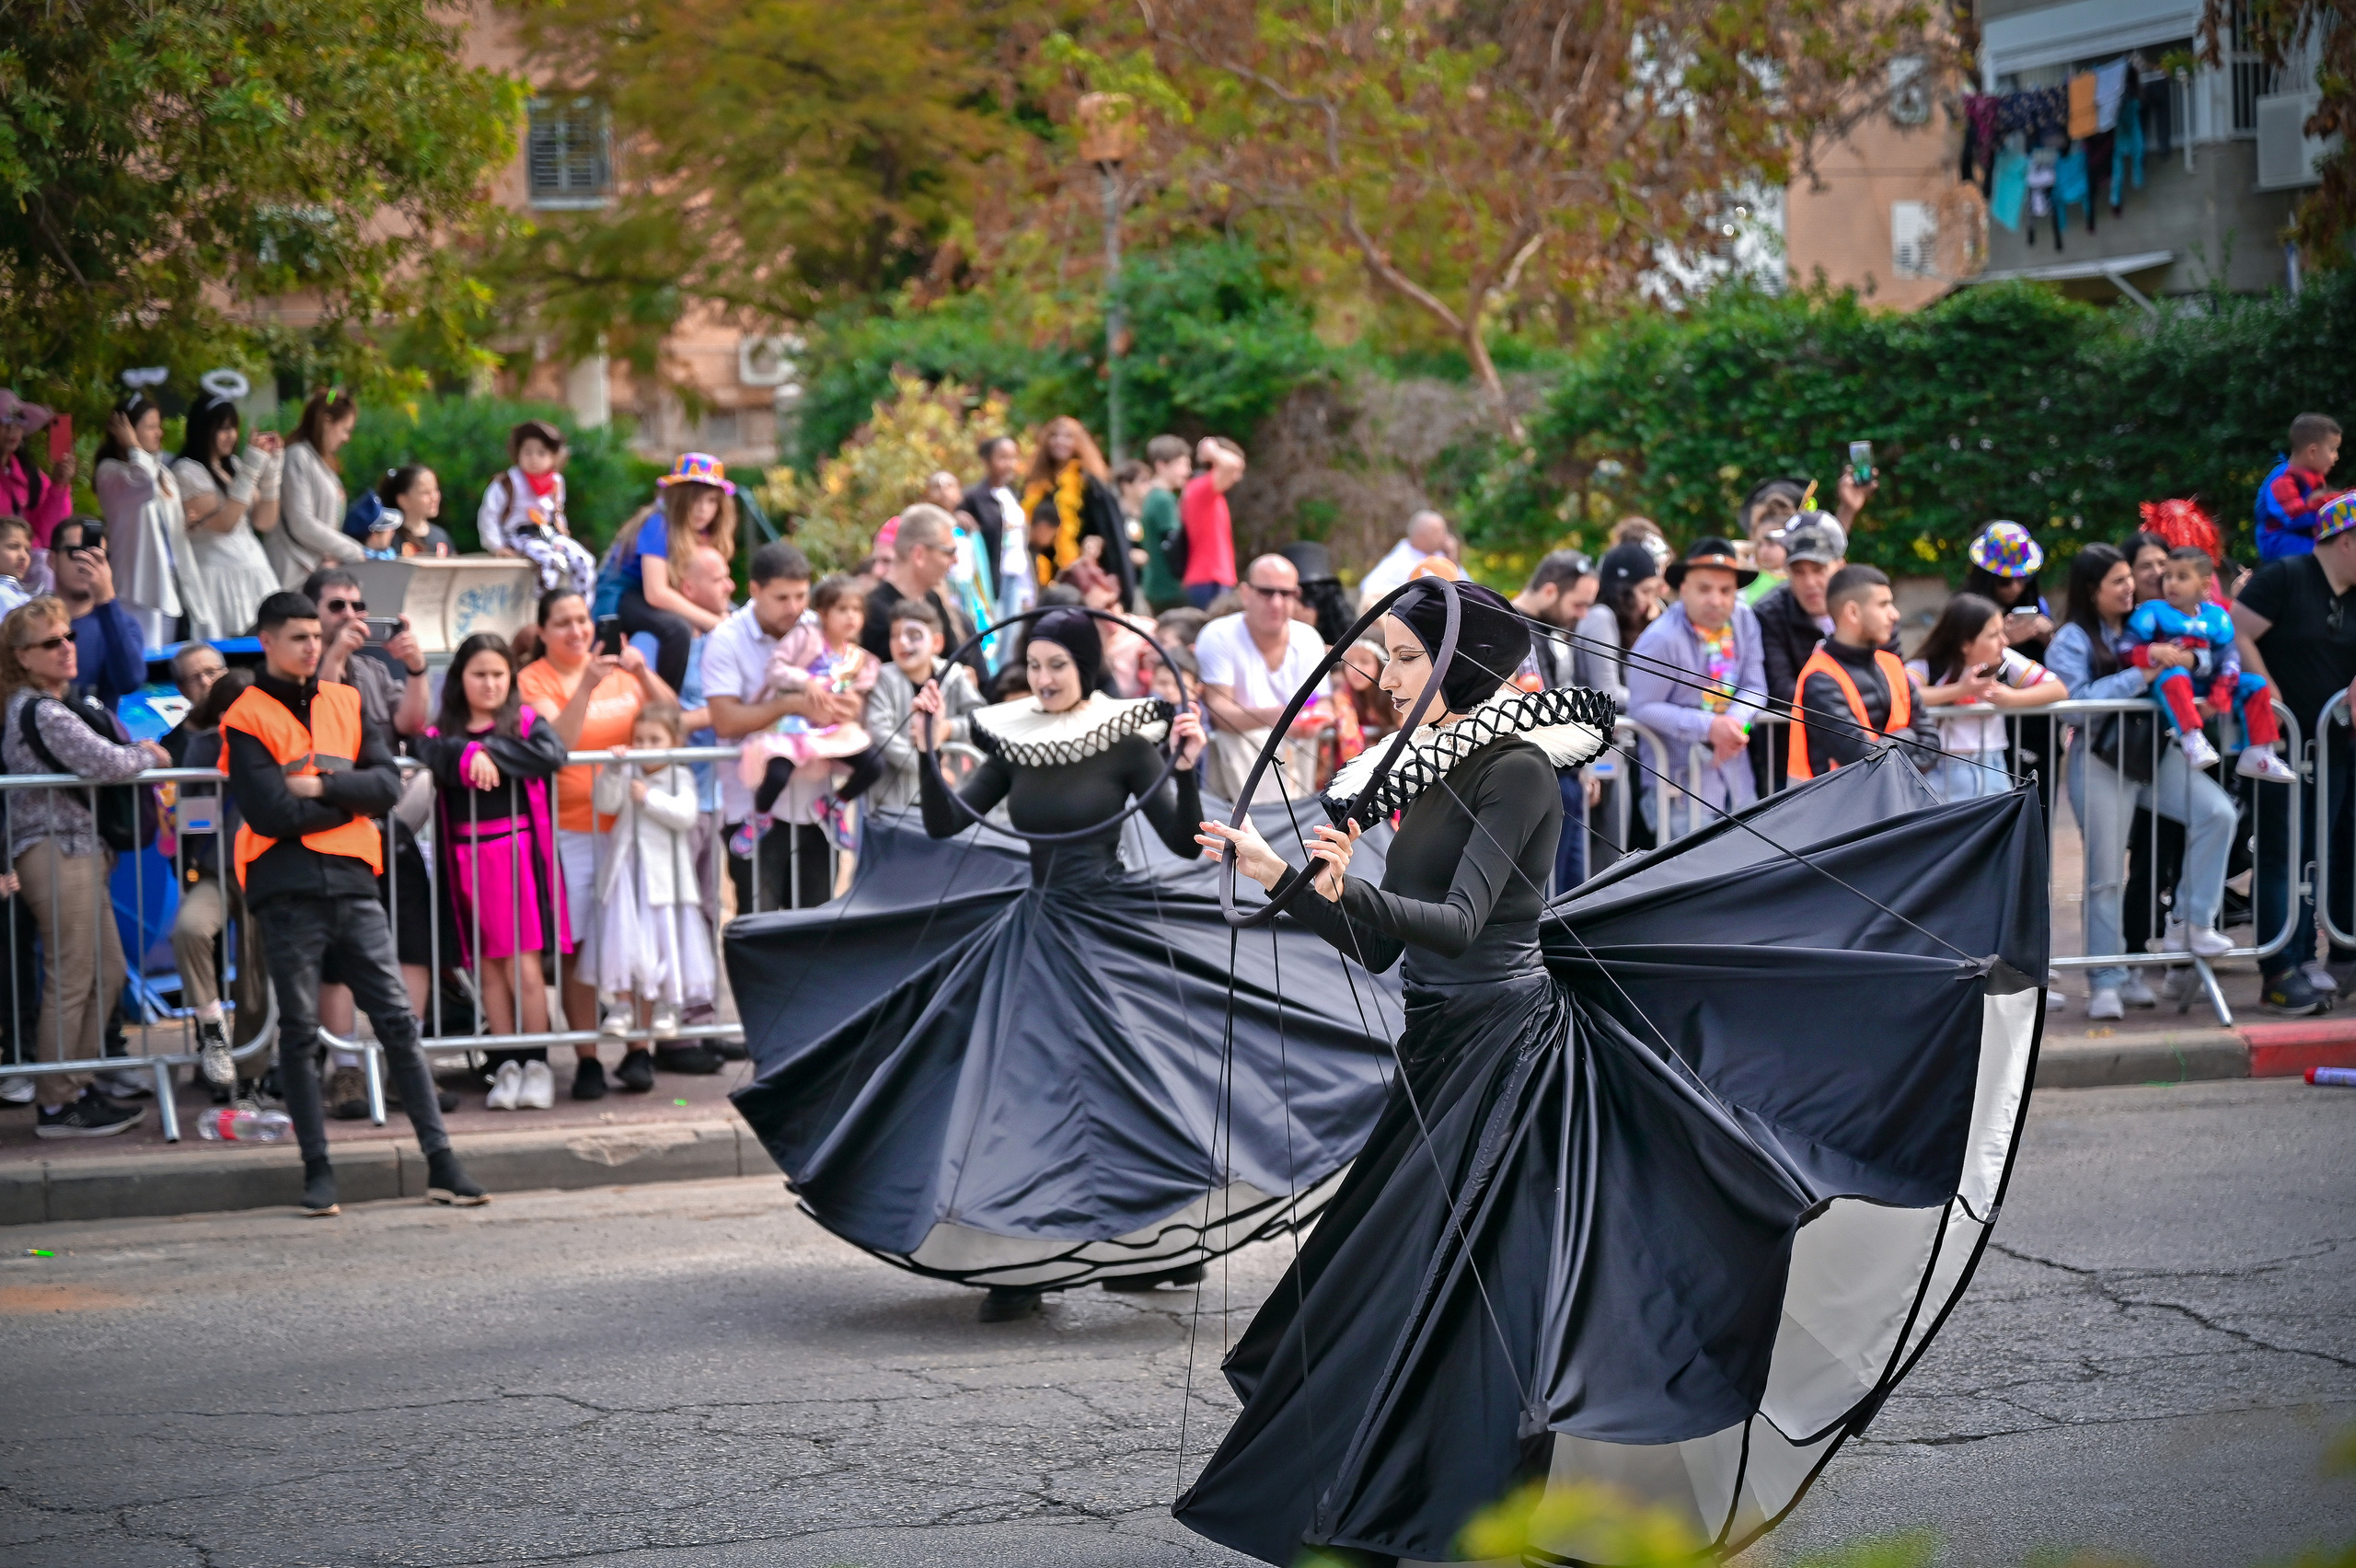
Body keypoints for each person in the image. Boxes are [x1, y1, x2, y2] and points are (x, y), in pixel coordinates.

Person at [1174, 581, 2036, 1568]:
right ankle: (1394, 1502)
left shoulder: (1517, 772)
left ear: (1462, 664)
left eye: (1408, 658)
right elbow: (1379, 951)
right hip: (1438, 1051)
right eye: (1390, 657)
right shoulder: (1427, 767)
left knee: (1471, 1296)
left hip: (1505, 1054)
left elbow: (1459, 926)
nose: (1387, 676)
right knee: (1395, 1280)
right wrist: (1284, 877)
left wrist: (1339, 887)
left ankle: (1444, 1514)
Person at [731, 605, 1394, 1323]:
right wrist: (925, 746)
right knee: (1020, 1102)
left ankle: (1157, 1246)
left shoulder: (1124, 738)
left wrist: (1183, 768)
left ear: (1085, 668)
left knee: (1151, 1091)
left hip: (1112, 928)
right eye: (1035, 665)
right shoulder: (1015, 740)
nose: (1044, 678)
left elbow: (1181, 841)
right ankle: (1019, 1267)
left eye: (1058, 666)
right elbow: (948, 823)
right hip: (1036, 927)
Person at [220, 591, 486, 1213]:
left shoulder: (344, 699)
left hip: (353, 882)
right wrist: (349, 801)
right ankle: (318, 1172)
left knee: (396, 1022)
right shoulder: (246, 714)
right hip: (285, 888)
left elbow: (387, 786)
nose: (312, 647)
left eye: (316, 637)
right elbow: (271, 813)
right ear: (267, 642)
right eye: (299, 637)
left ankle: (442, 1163)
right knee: (298, 1031)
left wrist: (321, 787)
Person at [2046, 544, 2237, 1023]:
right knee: (2106, 876)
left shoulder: (2151, 619)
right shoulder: (2072, 638)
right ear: (2092, 590)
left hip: (2154, 751)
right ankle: (2106, 980)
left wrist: (2191, 666)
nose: (2131, 586)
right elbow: (2075, 703)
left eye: (2128, 578)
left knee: (2217, 814)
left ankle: (2190, 924)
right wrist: (2141, 673)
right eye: (2118, 581)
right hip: (2101, 760)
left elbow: (2208, 657)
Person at [0, 596, 167, 1137]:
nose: (66, 648)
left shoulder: (47, 705)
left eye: (68, 637)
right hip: (54, 849)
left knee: (107, 971)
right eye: (51, 642)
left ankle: (76, 1084)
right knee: (72, 976)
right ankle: (57, 1102)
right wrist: (149, 754)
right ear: (22, 656)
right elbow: (108, 762)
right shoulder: (40, 710)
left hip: (75, 848)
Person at [516, 587, 676, 1090]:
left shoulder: (623, 673)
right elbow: (556, 743)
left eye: (582, 620)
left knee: (639, 933)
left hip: (631, 823)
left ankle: (639, 1050)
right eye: (563, 622)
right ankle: (587, 1056)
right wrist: (586, 685)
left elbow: (672, 720)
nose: (577, 631)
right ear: (543, 631)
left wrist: (642, 673)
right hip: (571, 827)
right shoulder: (532, 678)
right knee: (579, 943)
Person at [415, 632, 572, 1112]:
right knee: (487, 969)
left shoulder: (524, 722)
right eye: (479, 674)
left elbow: (552, 753)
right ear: (459, 678)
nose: (489, 683)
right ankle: (506, 1064)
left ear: (511, 677)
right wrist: (467, 755)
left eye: (499, 674)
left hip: (516, 855)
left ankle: (536, 1063)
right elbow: (426, 751)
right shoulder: (443, 732)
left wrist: (490, 753)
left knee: (524, 968)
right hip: (465, 858)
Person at [304, 566, 437, 1119]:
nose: (351, 617)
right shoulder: (301, 669)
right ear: (312, 614)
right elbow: (321, 732)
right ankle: (347, 1072)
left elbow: (411, 724)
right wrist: (333, 658)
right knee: (338, 956)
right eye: (336, 606)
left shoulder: (375, 668)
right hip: (332, 830)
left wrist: (416, 668)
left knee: (413, 943)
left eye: (357, 606)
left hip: (387, 829)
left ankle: (406, 1067)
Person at [2234, 493, 2356, 1015]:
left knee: (2324, 850)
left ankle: (2313, 956)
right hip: (2280, 748)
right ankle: (2279, 970)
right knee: (2283, 852)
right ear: (2346, 541)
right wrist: (2265, 686)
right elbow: (2237, 629)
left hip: (2334, 746)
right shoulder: (2286, 576)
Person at [705, 542, 852, 914]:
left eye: (801, 596)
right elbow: (725, 720)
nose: (794, 607)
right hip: (751, 808)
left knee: (817, 924)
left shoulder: (818, 627)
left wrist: (842, 706)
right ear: (755, 590)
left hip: (813, 808)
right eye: (782, 598)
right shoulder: (726, 639)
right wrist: (789, 705)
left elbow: (847, 686)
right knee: (762, 924)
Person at [591, 699, 717, 1068]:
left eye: (654, 740)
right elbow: (606, 803)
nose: (645, 747)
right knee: (624, 940)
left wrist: (649, 798)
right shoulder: (629, 771)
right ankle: (622, 1004)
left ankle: (667, 1005)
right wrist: (614, 770)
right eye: (640, 740)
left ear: (674, 743)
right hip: (628, 875)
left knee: (665, 943)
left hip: (666, 880)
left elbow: (685, 815)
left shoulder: (680, 777)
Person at [167, 668, 272, 1095]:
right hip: (217, 869)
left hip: (266, 870)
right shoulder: (204, 746)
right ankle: (212, 1031)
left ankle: (250, 1077)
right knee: (189, 930)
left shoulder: (279, 742)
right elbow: (193, 820)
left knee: (255, 979)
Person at [1628, 537, 1765, 839]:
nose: (1716, 600)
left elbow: (1755, 685)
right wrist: (1708, 726)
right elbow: (1642, 707)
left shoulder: (1744, 620)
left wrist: (1734, 724)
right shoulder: (1661, 638)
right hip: (1679, 793)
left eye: (1726, 590)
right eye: (1705, 589)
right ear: (1684, 589)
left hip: (1738, 784)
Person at [2128, 547, 2295, 781]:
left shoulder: (2217, 617)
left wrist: (2218, 698)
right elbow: (2125, 649)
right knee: (2174, 674)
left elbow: (2230, 659)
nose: (2171, 583)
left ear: (2205, 585)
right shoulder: (2151, 613)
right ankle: (2190, 737)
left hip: (2208, 686)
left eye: (2182, 577)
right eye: (2168, 576)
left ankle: (2258, 751)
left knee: (2256, 684)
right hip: (2172, 684)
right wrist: (2152, 651)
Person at [740, 572, 883, 847]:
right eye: (842, 609)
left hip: (831, 728)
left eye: (857, 610)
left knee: (874, 764)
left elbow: (857, 696)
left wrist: (853, 703)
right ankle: (759, 817)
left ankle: (835, 804)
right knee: (778, 774)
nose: (851, 617)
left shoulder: (858, 658)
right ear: (823, 613)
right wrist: (805, 682)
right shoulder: (806, 637)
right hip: (795, 725)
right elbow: (775, 668)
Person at [596, 451, 737, 691]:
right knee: (677, 629)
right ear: (678, 497)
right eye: (695, 499)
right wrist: (713, 621)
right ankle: (667, 701)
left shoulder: (702, 531)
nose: (703, 509)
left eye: (712, 501)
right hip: (624, 595)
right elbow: (656, 593)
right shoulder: (658, 524)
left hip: (652, 593)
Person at [1907, 592, 2067, 803]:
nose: (2004, 641)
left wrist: (2011, 698)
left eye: (2002, 632)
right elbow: (1904, 693)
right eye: (1993, 635)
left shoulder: (2004, 659)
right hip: (1941, 768)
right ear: (1965, 643)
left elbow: (2058, 688)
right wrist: (1961, 690)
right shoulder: (1929, 665)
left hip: (1993, 764)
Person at [1751, 513, 1878, 779]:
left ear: (1840, 567)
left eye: (1818, 569)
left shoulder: (1874, 607)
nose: (1809, 582)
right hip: (1792, 765)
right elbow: (1780, 689)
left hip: (1872, 758)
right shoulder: (1768, 614)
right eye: (1798, 572)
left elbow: (1892, 683)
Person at [1195, 553, 1328, 806]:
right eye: (1266, 592)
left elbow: (1324, 701)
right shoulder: (1218, 635)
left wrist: (1316, 719)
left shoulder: (1308, 638)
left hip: (1298, 768)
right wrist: (1278, 718)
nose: (1276, 602)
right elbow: (1219, 711)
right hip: (1234, 780)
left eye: (1285, 593)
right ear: (1245, 593)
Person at [1785, 565, 1939, 781]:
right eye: (1883, 604)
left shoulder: (1892, 664)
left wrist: (1888, 748)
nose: (1894, 615)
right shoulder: (1819, 678)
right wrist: (1909, 736)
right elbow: (1862, 759)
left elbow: (1931, 744)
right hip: (1836, 801)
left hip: (1889, 797)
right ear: (1853, 612)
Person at [1513, 549, 1604, 890]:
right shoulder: (1518, 629)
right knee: (1554, 893)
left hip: (1563, 773)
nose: (1582, 615)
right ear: (1550, 591)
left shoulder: (1543, 630)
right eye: (1578, 604)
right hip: (1547, 778)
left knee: (1573, 888)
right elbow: (1541, 707)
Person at [94, 392, 205, 647]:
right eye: (151, 426)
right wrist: (133, 445)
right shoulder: (110, 471)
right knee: (145, 655)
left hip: (169, 582)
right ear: (126, 430)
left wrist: (186, 522)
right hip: (137, 585)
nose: (159, 433)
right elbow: (143, 482)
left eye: (159, 426)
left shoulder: (162, 472)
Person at [170, 392, 283, 640]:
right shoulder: (186, 471)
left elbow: (264, 522)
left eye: (233, 427)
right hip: (217, 579)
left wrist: (272, 472)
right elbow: (225, 522)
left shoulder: (234, 465)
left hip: (254, 572)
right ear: (202, 429)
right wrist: (252, 469)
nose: (231, 435)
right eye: (222, 428)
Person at [865, 599, 986, 812]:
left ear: (937, 643)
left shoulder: (955, 676)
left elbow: (979, 719)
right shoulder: (882, 678)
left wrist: (948, 728)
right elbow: (880, 732)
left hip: (948, 795)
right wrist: (930, 768)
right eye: (895, 635)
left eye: (913, 635)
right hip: (893, 803)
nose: (902, 642)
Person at [1022, 416, 1133, 605]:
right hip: (1042, 575)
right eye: (1054, 436)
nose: (1060, 441)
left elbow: (1110, 532)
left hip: (1081, 576)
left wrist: (1097, 542)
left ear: (1078, 443)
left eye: (1068, 437)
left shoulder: (1089, 484)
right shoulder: (1036, 485)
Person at [479, 420, 596, 596]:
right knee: (548, 561)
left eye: (541, 453)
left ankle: (582, 606)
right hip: (519, 535)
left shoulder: (555, 481)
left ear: (554, 456)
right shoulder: (508, 482)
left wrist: (562, 533)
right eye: (527, 452)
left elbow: (557, 511)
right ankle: (543, 607)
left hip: (547, 534)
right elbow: (489, 515)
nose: (533, 458)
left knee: (584, 560)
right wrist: (497, 546)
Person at [858, 503, 971, 674]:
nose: (955, 560)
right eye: (948, 552)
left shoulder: (932, 599)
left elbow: (958, 661)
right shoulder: (874, 613)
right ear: (919, 555)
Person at [270, 388, 364, 590]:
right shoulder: (297, 457)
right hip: (294, 573)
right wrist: (351, 550)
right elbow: (301, 522)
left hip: (317, 573)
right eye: (345, 430)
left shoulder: (320, 463)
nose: (347, 438)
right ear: (327, 422)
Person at [48, 520, 146, 713]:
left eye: (97, 556)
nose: (86, 563)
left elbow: (129, 681)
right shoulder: (30, 621)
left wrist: (106, 600)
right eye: (75, 553)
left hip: (95, 730)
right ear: (52, 559)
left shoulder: (122, 624)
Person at [2254, 412, 2344, 561]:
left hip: (2298, 537)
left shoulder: (2312, 477)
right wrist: (2333, 503)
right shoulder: (2282, 480)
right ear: (2313, 452)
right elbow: (2295, 517)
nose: (2336, 456)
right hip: (2278, 541)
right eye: (2333, 449)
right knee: (2330, 555)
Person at [0, 390, 74, 566]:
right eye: (4, 422)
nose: (13, 429)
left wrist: (59, 485)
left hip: (27, 567)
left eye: (19, 421)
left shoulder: (32, 478)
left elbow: (53, 536)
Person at [959, 434, 1030, 616]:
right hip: (992, 577)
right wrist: (957, 516)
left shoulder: (1013, 494)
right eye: (1002, 458)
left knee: (1013, 628)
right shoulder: (974, 497)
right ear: (986, 460)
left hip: (1017, 573)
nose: (1009, 464)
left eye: (1013, 458)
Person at [1179, 437, 1244, 609]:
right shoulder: (1201, 489)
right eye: (1238, 472)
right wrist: (1211, 450)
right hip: (1209, 580)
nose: (1238, 477)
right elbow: (1232, 464)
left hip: (1212, 579)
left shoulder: (1208, 493)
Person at [1134, 434, 1193, 612]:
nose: (1187, 471)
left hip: (1154, 585)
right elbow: (1173, 544)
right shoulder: (1163, 500)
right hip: (1169, 588)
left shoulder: (1151, 496)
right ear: (1161, 466)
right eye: (1181, 465)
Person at [1357, 510, 1457, 603]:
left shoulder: (1441, 555)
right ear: (1421, 535)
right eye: (1437, 532)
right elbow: (1367, 589)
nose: (1445, 537)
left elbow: (1461, 587)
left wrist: (1452, 558)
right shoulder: (1400, 560)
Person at [159, 642, 228, 765]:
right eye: (194, 678)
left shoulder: (253, 719)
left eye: (211, 672)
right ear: (182, 689)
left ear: (226, 674)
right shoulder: (171, 747)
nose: (205, 682)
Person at [376, 466, 454, 559]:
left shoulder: (441, 537)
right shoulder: (389, 538)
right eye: (425, 492)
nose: (434, 497)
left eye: (436, 490)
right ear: (403, 500)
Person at [0, 515, 37, 617]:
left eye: (27, 550)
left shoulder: (23, 596)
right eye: (13, 547)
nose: (23, 556)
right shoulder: (2, 595)